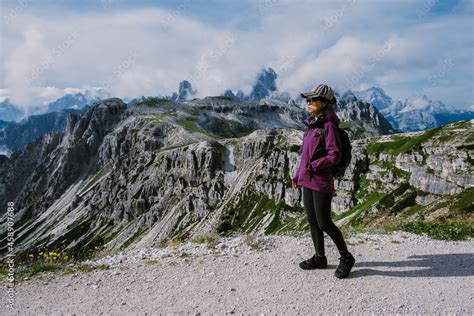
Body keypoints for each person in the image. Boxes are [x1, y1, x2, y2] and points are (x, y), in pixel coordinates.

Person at [292, 83, 355, 279]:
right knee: (312, 221)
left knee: (324, 222)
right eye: (307, 99)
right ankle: (320, 257)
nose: (308, 102)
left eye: (313, 99)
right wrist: (298, 175)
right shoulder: (313, 125)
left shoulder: (328, 126)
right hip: (307, 179)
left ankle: (346, 258)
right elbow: (305, 156)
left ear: (326, 103)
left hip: (320, 181)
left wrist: (315, 165)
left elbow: (334, 155)